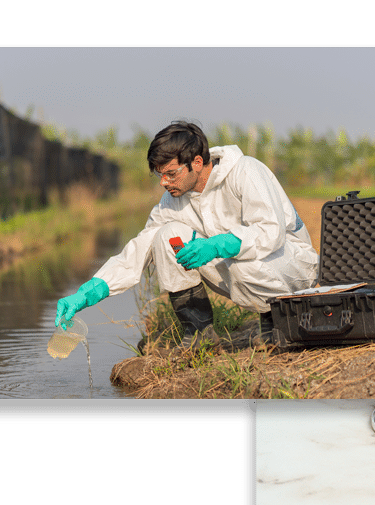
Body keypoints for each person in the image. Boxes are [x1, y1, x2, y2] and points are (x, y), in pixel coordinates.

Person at [54, 121, 319, 351]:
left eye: (171, 174)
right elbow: (138, 250)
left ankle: (276, 321)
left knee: (242, 261)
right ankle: (199, 334)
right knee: (165, 236)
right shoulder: (172, 202)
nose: (164, 183)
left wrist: (219, 244)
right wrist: (89, 292)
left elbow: (270, 232)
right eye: (160, 175)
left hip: (291, 266)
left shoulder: (245, 171)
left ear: (197, 163)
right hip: (244, 269)